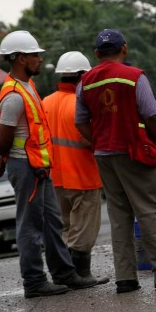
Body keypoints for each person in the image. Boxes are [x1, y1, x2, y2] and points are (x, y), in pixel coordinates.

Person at [75, 29, 156, 294]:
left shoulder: (85, 82)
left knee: (119, 215)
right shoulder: (134, 77)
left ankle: (125, 278)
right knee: (150, 210)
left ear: (97, 54)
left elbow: (80, 121)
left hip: (105, 157)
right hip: (135, 153)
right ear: (125, 48)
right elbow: (152, 116)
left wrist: (98, 142)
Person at [0, 31, 98, 298]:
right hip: (25, 168)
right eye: (35, 55)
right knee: (30, 226)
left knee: (52, 222)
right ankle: (34, 282)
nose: (39, 59)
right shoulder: (14, 94)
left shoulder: (28, 87)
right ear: (19, 58)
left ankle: (64, 274)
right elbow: (3, 141)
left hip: (38, 168)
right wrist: (6, 159)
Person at [43, 51, 109, 285]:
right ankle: (80, 274)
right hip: (82, 175)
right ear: (82, 75)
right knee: (84, 228)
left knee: (66, 226)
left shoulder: (45, 103)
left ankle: (64, 273)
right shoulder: (83, 104)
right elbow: (93, 140)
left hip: (54, 177)